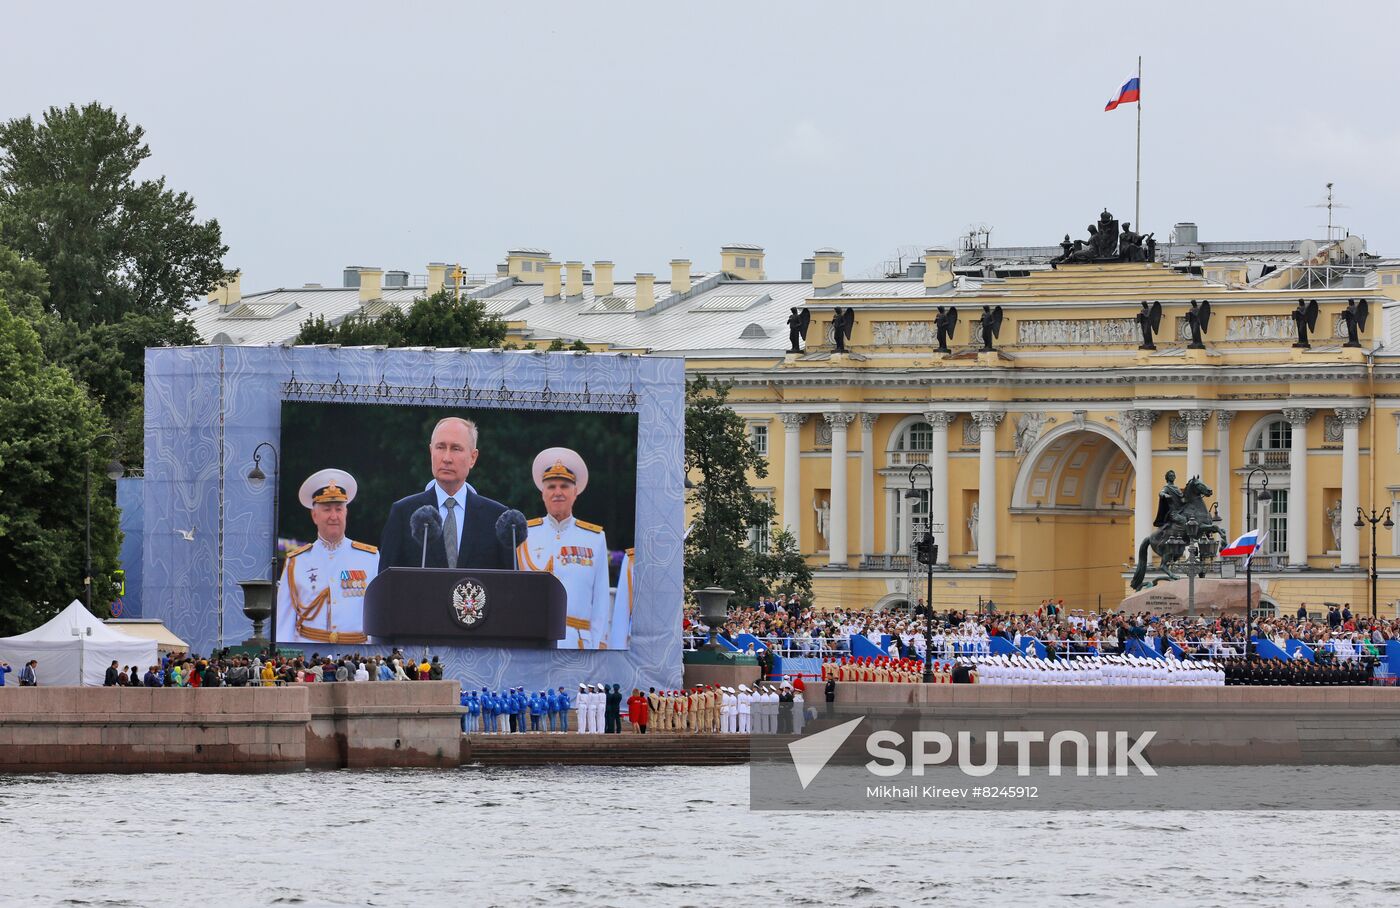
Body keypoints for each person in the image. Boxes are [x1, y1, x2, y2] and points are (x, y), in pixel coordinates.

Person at [379, 417, 513, 571]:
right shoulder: (403, 513)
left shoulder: (497, 517)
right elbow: (386, 584)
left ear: (473, 458)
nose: (446, 458)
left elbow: (509, 586)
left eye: (456, 448)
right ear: (431, 451)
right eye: (440, 447)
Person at [517, 447, 611, 649]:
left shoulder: (594, 538)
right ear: (543, 493)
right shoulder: (524, 534)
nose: (557, 492)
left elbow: (601, 600)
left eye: (564, 486)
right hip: (534, 641)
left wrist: (598, 645)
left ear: (575, 492)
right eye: (551, 486)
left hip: (577, 644)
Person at [276, 468, 379, 646]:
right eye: (326, 509)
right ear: (314, 515)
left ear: (346, 513)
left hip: (356, 655)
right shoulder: (296, 562)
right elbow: (284, 623)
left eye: (339, 509)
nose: (334, 516)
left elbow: (379, 616)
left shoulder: (370, 558)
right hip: (308, 656)